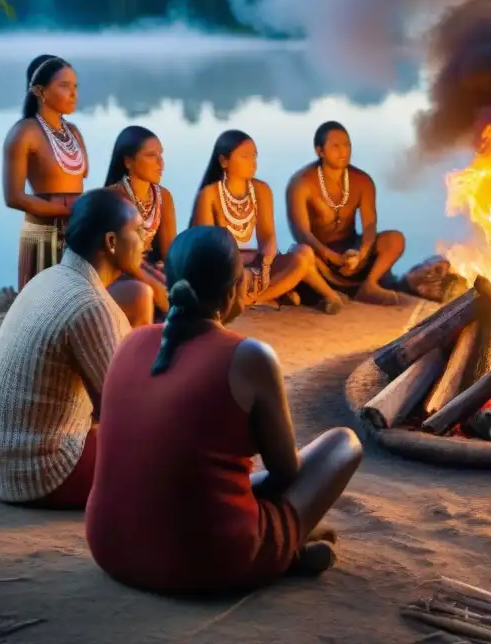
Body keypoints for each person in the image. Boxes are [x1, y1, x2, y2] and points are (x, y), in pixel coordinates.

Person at [85, 226, 363, 593]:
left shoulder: (130, 341)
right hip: (206, 562)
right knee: (344, 444)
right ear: (234, 290)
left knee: (201, 475)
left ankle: (285, 547)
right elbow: (286, 473)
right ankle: (284, 553)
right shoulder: (250, 357)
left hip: (111, 546)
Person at [0, 189, 149, 509]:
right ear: (110, 242)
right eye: (137, 231)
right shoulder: (89, 305)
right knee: (168, 456)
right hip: (39, 472)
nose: (144, 240)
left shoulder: (50, 278)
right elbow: (123, 416)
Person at [191, 130, 344, 313]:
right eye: (245, 156)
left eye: (254, 156)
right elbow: (209, 249)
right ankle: (292, 294)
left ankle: (255, 299)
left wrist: (265, 260)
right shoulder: (209, 195)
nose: (253, 162)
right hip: (225, 269)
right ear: (224, 161)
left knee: (304, 255)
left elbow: (267, 235)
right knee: (239, 278)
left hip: (256, 263)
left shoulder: (261, 190)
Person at [286, 121, 406, 306]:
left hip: (352, 251)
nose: (343, 151)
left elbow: (369, 224)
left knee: (395, 239)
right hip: (321, 257)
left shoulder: (362, 181)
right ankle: (328, 295)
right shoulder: (301, 183)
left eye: (347, 145)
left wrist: (362, 253)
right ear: (320, 151)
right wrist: (331, 257)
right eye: (335, 146)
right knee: (298, 253)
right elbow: (301, 232)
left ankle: (370, 286)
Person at [2, 55, 87, 290]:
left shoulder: (74, 132)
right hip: (44, 232)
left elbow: (80, 176)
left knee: (78, 303)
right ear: (40, 91)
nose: (73, 94)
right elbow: (13, 197)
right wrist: (64, 211)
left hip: (78, 228)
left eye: (75, 87)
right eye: (64, 86)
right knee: (43, 306)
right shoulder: (23, 133)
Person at [105, 126, 177, 315]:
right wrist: (154, 280)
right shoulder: (113, 197)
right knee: (154, 292)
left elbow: (169, 252)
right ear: (128, 161)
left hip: (148, 269)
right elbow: (119, 259)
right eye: (151, 156)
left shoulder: (164, 197)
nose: (160, 163)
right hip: (119, 273)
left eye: (161, 155)